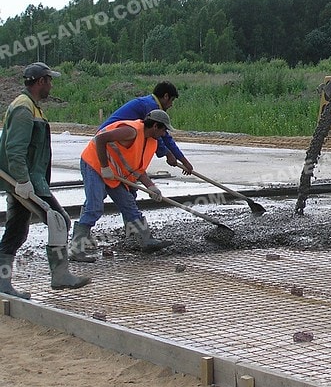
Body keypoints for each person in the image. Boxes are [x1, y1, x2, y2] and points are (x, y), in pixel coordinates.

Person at [0, 62, 90, 298]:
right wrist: (22, 181)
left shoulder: (31, 107)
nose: (51, 85)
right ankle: (59, 277)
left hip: (29, 180)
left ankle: (3, 281)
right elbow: (14, 149)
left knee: (16, 231)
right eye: (49, 80)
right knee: (59, 219)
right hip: (27, 182)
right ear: (41, 81)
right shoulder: (24, 109)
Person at [70, 109, 175, 258]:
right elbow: (100, 139)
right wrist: (104, 167)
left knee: (128, 204)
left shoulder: (149, 141)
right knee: (94, 207)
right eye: (164, 129)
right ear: (155, 126)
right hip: (94, 164)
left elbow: (137, 169)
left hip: (113, 172)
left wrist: (151, 187)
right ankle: (75, 249)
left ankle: (147, 241)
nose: (164, 134)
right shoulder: (131, 131)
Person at [99, 82, 194, 175]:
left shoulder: (150, 103)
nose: (171, 104)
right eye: (172, 100)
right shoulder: (151, 107)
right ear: (166, 96)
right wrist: (168, 154)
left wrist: (183, 160)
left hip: (115, 139)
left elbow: (164, 136)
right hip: (106, 140)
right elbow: (158, 137)